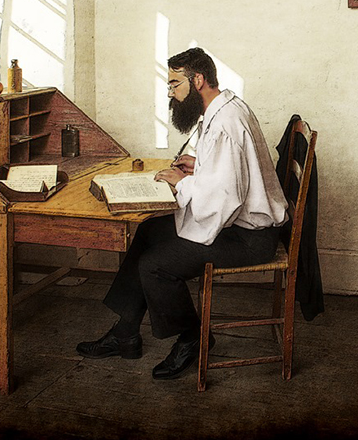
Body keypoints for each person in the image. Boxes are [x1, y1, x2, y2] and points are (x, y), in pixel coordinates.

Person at [76, 47, 289, 379]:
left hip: (250, 238)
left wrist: (181, 184)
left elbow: (224, 201)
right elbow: (229, 174)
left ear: (198, 80)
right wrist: (197, 167)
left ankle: (193, 336)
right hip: (240, 225)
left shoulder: (224, 124)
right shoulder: (225, 107)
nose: (171, 93)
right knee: (148, 232)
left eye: (175, 84)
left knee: (155, 266)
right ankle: (125, 333)